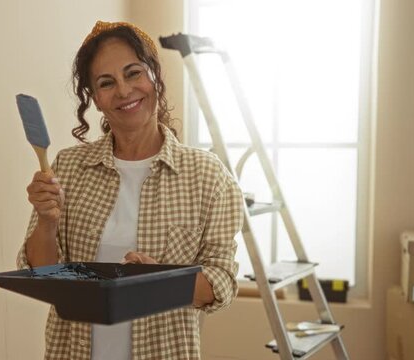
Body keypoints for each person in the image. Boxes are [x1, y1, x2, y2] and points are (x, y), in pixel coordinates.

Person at [17, 20, 243, 360]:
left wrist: (161, 281)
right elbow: (44, 275)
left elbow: (221, 281)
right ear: (94, 99)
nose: (123, 90)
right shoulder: (67, 168)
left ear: (154, 74)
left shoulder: (208, 176)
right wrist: (47, 221)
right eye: (106, 83)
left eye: (133, 73)